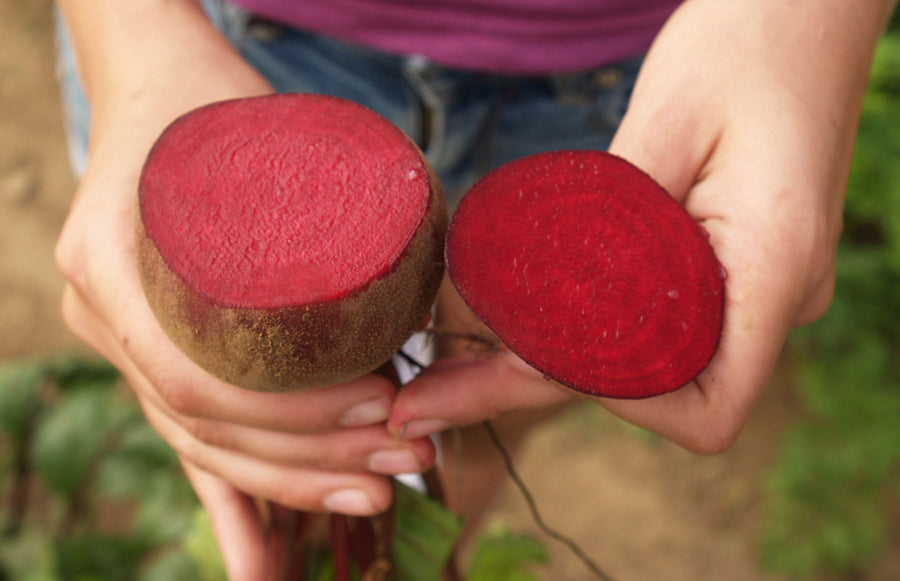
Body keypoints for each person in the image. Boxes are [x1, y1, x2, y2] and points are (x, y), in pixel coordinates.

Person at [53, 0, 897, 578]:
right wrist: (130, 33)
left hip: (659, 68)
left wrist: (802, 22)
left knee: (474, 420)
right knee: (272, 432)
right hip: (223, 44)